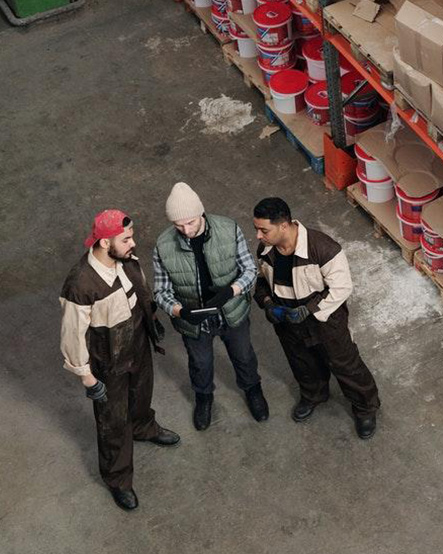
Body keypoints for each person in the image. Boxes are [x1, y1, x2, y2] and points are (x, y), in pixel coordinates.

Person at [60, 209, 180, 511]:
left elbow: (139, 290)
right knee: (113, 421)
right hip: (108, 360)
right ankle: (118, 479)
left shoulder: (126, 258)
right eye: (126, 238)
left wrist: (151, 318)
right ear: (103, 243)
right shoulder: (81, 284)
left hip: (138, 343)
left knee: (141, 395)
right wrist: (87, 378)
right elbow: (72, 336)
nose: (133, 242)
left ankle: (143, 428)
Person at [252, 197, 381, 439]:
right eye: (257, 229)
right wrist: (268, 304)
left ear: (283, 226)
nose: (259, 236)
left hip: (325, 321)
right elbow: (261, 282)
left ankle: (365, 408)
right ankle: (314, 395)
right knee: (302, 361)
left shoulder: (323, 249)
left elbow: (342, 288)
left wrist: (310, 309)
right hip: (287, 321)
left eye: (263, 230)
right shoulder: (266, 251)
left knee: (345, 364)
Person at [152, 182, 268, 431]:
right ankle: (204, 399)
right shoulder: (163, 246)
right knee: (200, 363)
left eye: (191, 222)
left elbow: (250, 269)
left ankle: (253, 390)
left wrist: (231, 290)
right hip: (193, 320)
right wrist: (179, 311)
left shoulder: (228, 229)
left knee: (244, 355)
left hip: (232, 311)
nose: (185, 230)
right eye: (178, 225)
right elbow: (161, 291)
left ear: (201, 213)